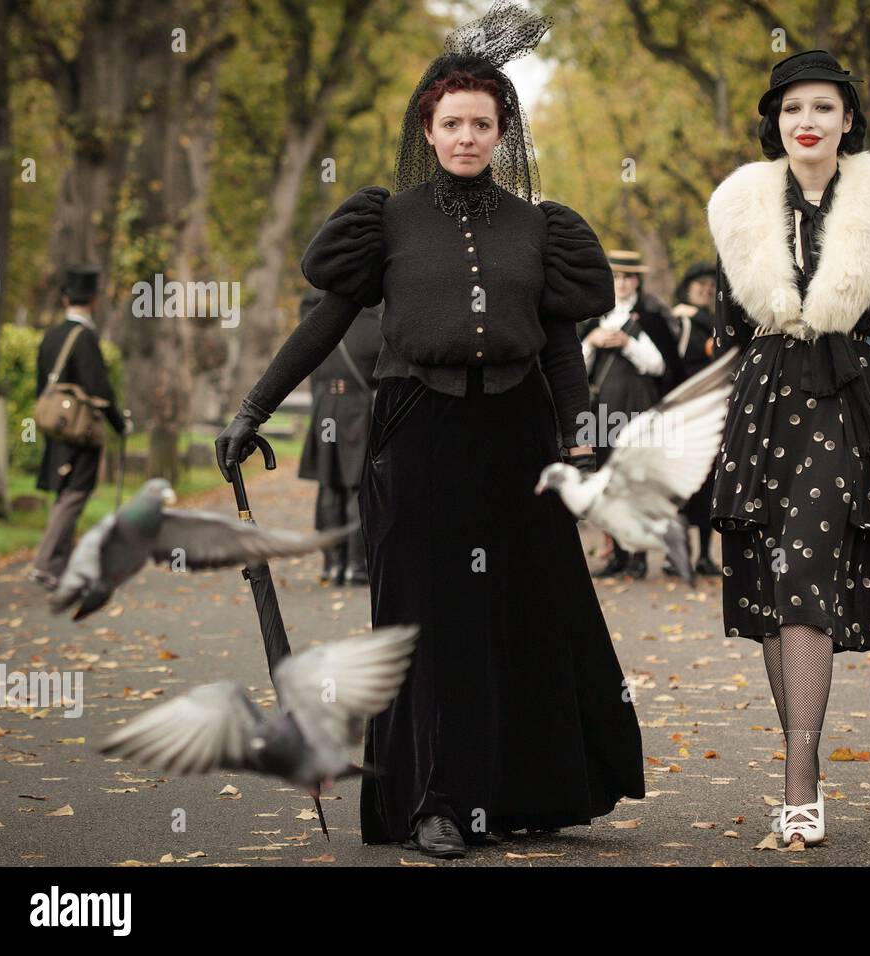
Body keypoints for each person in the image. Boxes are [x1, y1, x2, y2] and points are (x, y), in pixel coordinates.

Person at [215, 2, 644, 859]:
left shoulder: (540, 228)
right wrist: (252, 409)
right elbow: (323, 324)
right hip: (417, 434)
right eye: (452, 123)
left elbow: (561, 346)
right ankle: (435, 803)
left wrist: (583, 440)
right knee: (428, 618)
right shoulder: (389, 220)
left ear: (501, 131)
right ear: (429, 126)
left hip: (518, 437)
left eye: (483, 124)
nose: (467, 137)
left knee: (523, 612)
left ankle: (521, 792)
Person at [707, 50, 870, 846]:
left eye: (824, 108)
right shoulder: (740, 205)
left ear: (848, 119)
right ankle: (804, 759)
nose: (808, 121)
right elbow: (729, 338)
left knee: (803, 575)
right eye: (794, 107)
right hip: (761, 406)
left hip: (841, 409)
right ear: (777, 119)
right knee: (766, 576)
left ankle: (799, 787)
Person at [579, 248, 683, 579]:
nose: (620, 283)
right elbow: (577, 369)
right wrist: (592, 342)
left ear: (636, 280)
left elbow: (660, 365)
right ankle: (618, 556)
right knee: (606, 483)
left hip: (637, 407)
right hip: (602, 411)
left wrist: (627, 342)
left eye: (626, 277)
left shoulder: (650, 315)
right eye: (615, 277)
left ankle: (638, 556)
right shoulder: (593, 316)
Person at [28, 266, 129, 589]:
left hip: (54, 424)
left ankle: (59, 565)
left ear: (65, 298)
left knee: (63, 492)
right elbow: (99, 389)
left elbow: (41, 383)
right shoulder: (84, 337)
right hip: (80, 429)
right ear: (94, 301)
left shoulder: (50, 335)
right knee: (75, 494)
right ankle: (45, 564)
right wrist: (119, 424)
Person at [297, 285, 383, 586]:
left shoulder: (313, 315)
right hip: (357, 408)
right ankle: (356, 566)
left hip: (325, 406)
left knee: (329, 486)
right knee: (356, 488)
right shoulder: (374, 316)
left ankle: (332, 565)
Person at [665, 261, 721, 577]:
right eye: (699, 284)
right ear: (688, 288)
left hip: (710, 414)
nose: (706, 289)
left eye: (710, 285)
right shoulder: (678, 322)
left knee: (709, 485)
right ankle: (679, 554)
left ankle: (704, 555)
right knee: (681, 486)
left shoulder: (712, 322)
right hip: (683, 414)